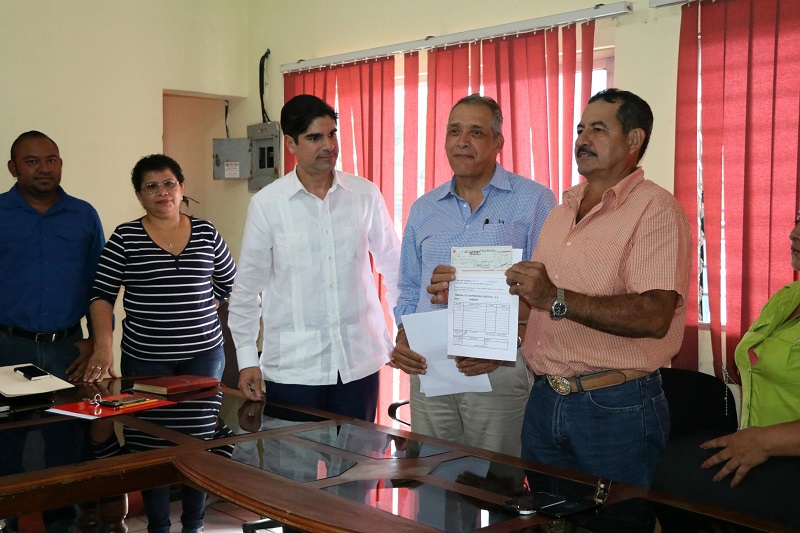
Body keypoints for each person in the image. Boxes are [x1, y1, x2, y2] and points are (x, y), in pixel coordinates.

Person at [505, 88, 692, 486]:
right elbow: (536, 306)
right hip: (544, 398)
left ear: (634, 140)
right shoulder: (561, 211)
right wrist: (467, 296)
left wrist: (553, 298)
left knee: (617, 523)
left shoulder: (655, 209)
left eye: (598, 129)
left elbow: (655, 315)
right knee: (548, 519)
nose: (582, 139)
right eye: (579, 129)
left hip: (614, 406)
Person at [391, 94, 556, 456]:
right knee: (436, 489)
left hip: (499, 367)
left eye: (476, 132)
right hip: (429, 367)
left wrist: (505, 345)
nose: (462, 141)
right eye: (454, 131)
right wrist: (403, 337)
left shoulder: (535, 201)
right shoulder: (424, 209)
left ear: (498, 142)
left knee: (500, 489)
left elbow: (550, 293)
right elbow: (408, 288)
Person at [83, 154, 237, 533]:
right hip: (145, 358)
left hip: (203, 358)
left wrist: (193, 316)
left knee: (197, 443)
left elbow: (230, 288)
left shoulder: (206, 233)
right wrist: (103, 346)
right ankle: (157, 527)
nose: (162, 192)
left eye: (169, 183)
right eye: (151, 186)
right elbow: (101, 295)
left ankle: (194, 525)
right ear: (139, 195)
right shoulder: (125, 237)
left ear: (181, 188)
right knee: (149, 445)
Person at [228, 94, 401, 423]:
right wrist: (247, 357)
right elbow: (248, 289)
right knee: (294, 471)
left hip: (359, 363)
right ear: (291, 144)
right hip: (295, 369)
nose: (328, 145)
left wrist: (405, 331)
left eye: (332, 134)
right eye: (315, 137)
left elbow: (394, 268)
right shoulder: (268, 204)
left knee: (358, 466)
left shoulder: (364, 195)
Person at [0, 130, 105, 532]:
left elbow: (102, 285)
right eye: (32, 161)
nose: (44, 169)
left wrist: (97, 343)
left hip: (68, 352)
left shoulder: (83, 215)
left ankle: (65, 526)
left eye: (52, 159)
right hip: (9, 348)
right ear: (13, 168)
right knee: (8, 447)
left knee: (66, 447)